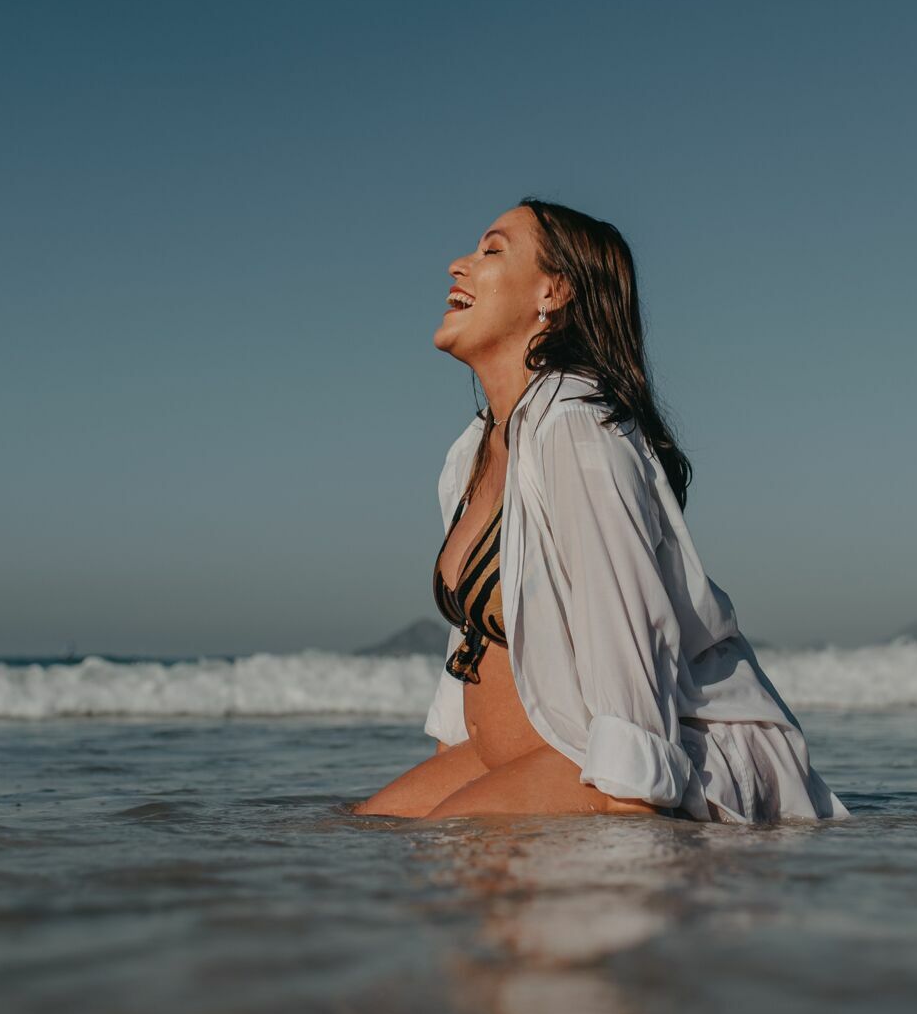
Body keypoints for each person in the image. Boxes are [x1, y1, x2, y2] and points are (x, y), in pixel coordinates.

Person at [353, 199, 850, 823]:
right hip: (532, 754)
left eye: (491, 250)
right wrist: (451, 763)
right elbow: (472, 647)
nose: (459, 265)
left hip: (655, 755)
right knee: (364, 834)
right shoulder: (472, 451)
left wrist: (631, 811)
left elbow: (624, 628)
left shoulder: (577, 427)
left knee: (445, 837)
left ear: (552, 292)